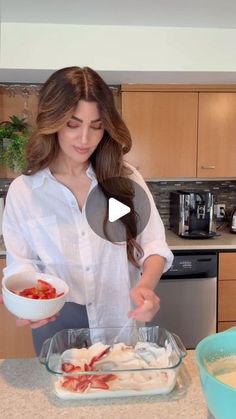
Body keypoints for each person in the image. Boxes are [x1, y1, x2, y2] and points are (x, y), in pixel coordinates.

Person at [1, 66, 173, 355]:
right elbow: (22, 264)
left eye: (96, 125)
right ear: (52, 121)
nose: (85, 139)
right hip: (56, 322)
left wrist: (146, 285)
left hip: (117, 319)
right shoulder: (25, 192)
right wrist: (26, 302)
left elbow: (153, 244)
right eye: (72, 124)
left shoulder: (124, 181)